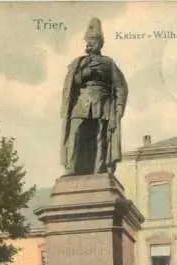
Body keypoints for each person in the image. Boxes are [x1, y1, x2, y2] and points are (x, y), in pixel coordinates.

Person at [61, 18, 128, 175]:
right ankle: (71, 167)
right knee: (76, 133)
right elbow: (73, 82)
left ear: (101, 43)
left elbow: (119, 86)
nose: (90, 43)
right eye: (89, 40)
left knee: (100, 136)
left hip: (103, 103)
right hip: (81, 103)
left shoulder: (108, 63)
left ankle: (100, 168)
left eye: (94, 40)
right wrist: (85, 73)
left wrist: (119, 105)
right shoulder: (79, 62)